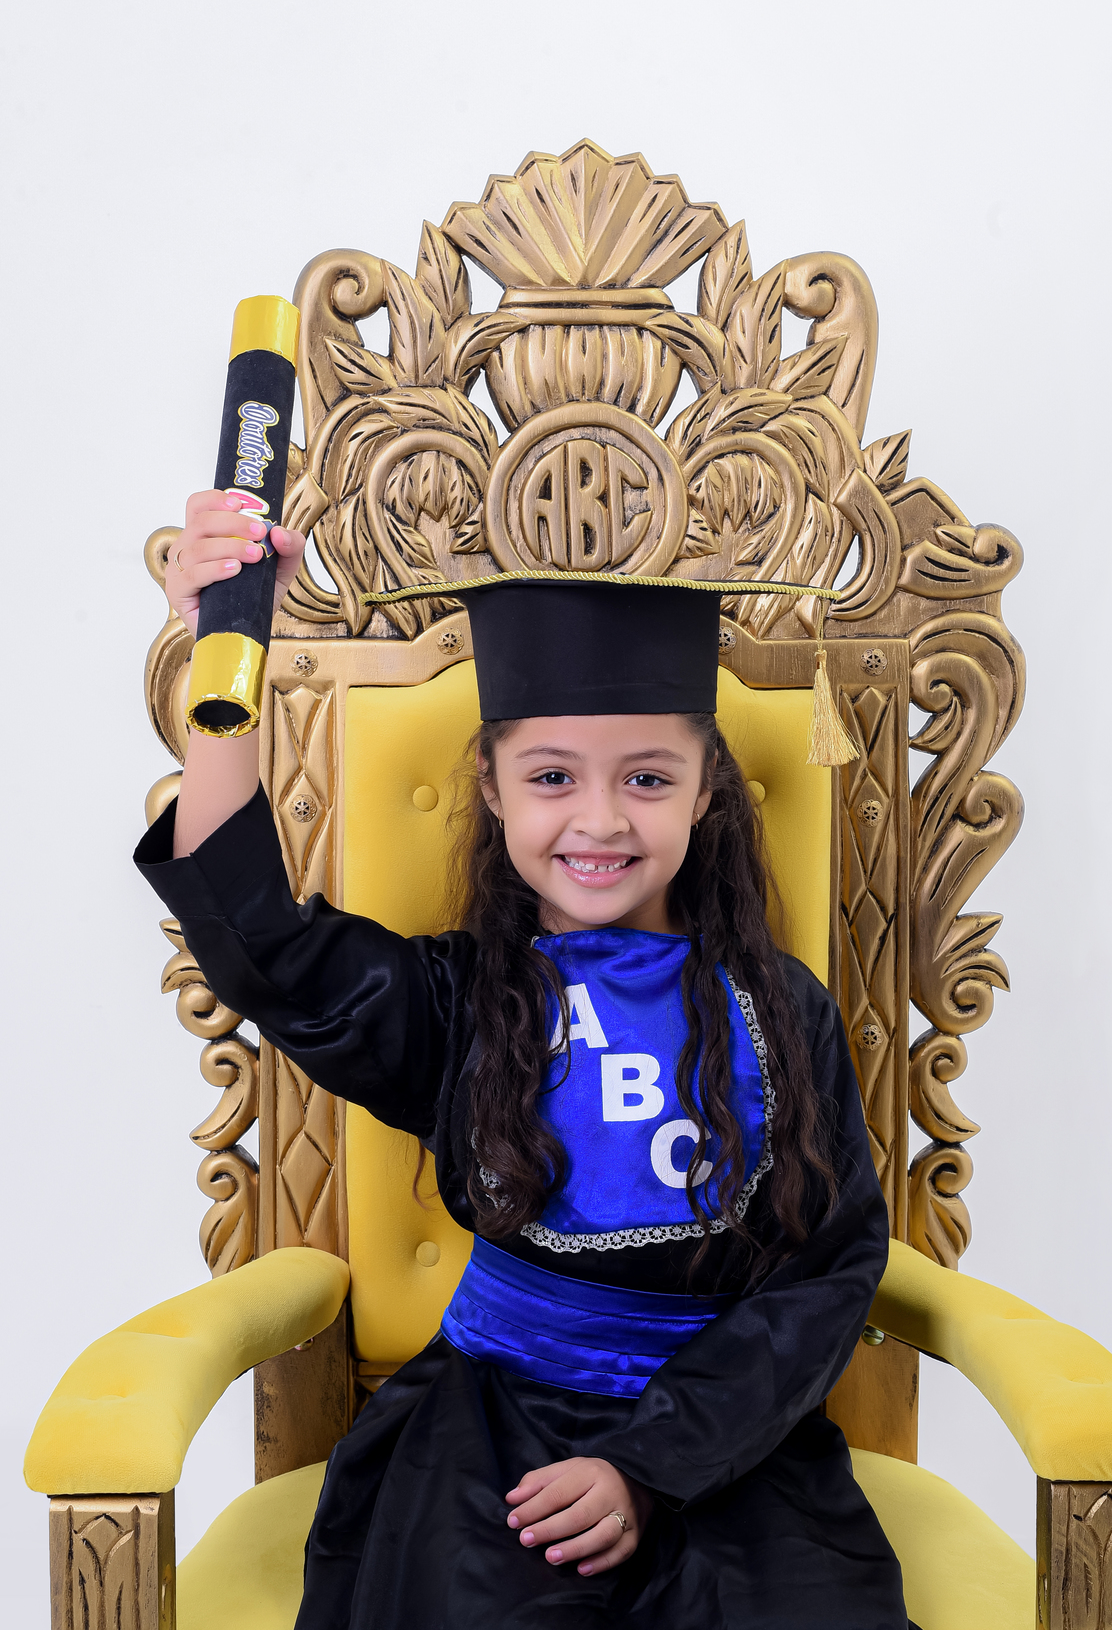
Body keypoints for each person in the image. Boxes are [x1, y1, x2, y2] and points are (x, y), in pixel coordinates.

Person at [135, 489, 915, 1629]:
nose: (599, 820)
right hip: (494, 1432)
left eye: (647, 777)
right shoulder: (454, 1005)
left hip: (729, 1441)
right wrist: (226, 641)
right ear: (492, 790)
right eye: (552, 777)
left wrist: (651, 1465)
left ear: (706, 790)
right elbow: (260, 945)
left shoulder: (781, 1010)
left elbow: (827, 1270)